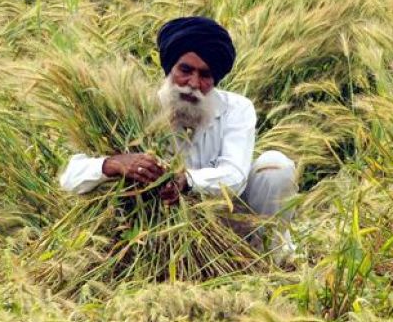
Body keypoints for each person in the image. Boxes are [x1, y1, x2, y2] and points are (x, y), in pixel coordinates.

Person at [59, 16, 299, 257]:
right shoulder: (137, 107)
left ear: (215, 79)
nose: (193, 83)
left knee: (275, 167)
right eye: (185, 70)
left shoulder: (237, 109)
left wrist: (187, 181)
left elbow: (235, 176)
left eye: (205, 75)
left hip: (230, 222)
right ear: (169, 68)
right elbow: (69, 177)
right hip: (160, 234)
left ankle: (269, 256)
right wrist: (112, 164)